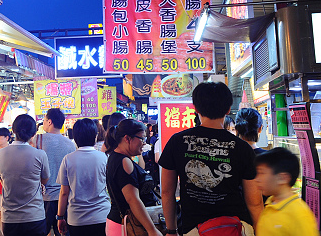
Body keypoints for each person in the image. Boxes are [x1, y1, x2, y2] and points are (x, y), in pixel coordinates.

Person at [159, 82, 263, 236]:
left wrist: (171, 230)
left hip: (194, 230)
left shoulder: (177, 141)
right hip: (235, 228)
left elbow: (167, 192)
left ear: (195, 108)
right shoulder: (242, 148)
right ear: (228, 109)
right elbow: (254, 202)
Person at [105, 119, 162, 236]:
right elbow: (133, 200)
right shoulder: (124, 162)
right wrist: (152, 230)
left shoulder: (115, 157)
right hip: (126, 225)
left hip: (119, 222)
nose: (144, 143)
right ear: (127, 138)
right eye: (142, 139)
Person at [0, 114, 49, 236]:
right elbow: (45, 179)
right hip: (34, 215)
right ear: (33, 134)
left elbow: (1, 179)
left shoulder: (1, 153)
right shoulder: (40, 154)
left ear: (13, 131)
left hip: (9, 217)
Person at [56, 118, 110, 236]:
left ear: (75, 137)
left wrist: (60, 217)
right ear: (95, 136)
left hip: (77, 219)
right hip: (102, 215)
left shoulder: (68, 159)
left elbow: (64, 193)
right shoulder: (103, 158)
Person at [254, 148, 319, 236]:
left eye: (262, 173)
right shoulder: (271, 204)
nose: (257, 179)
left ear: (282, 178)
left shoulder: (299, 214)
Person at [35, 108, 76, 236]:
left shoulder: (38, 139)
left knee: (42, 231)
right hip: (64, 197)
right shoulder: (70, 144)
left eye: (45, 120)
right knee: (62, 232)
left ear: (50, 122)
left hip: (44, 196)